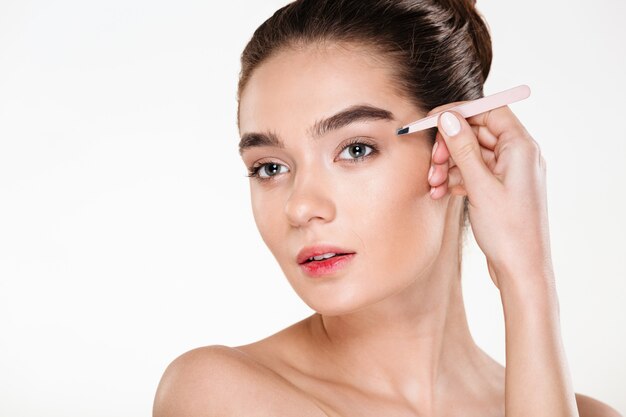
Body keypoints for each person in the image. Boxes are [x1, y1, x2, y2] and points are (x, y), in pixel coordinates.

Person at [153, 1, 622, 416]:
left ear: (455, 150)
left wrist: (527, 277)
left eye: (355, 149)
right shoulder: (219, 394)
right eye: (270, 167)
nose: (300, 207)